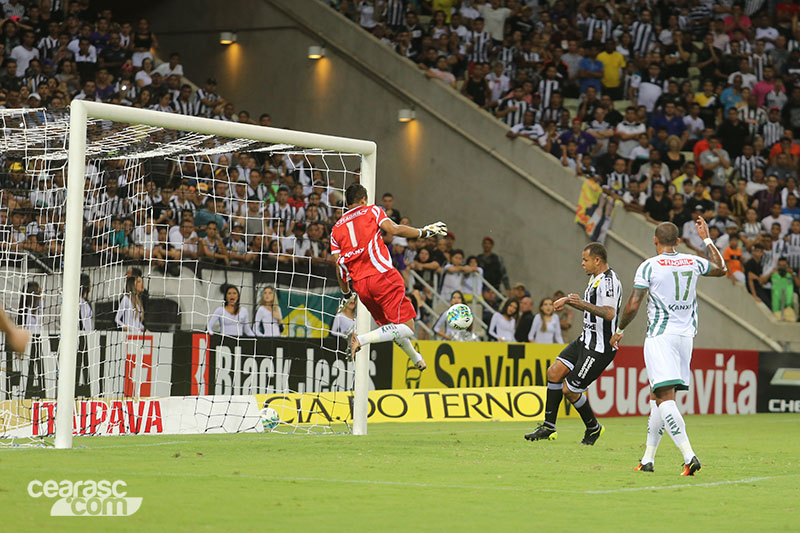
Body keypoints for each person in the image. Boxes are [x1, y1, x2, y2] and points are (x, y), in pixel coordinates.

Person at [611, 220, 727, 475]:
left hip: (661, 336)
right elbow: (721, 268)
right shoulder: (692, 261)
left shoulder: (649, 266)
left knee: (664, 399)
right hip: (685, 338)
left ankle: (689, 456)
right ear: (678, 241)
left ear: (655, 240)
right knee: (657, 396)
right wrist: (706, 239)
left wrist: (619, 330)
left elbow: (633, 304)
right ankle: (648, 459)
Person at [333, 184, 447, 370]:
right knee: (407, 327)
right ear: (364, 199)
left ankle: (415, 358)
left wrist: (346, 294)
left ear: (347, 203)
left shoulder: (336, 230)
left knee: (393, 328)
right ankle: (360, 339)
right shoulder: (372, 210)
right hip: (382, 276)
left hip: (361, 287)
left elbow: (338, 267)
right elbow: (393, 230)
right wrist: (424, 232)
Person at [524, 243, 621, 446]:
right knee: (554, 372)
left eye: (586, 259)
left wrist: (578, 303)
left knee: (570, 390)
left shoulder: (609, 281)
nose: (582, 263)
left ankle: (593, 428)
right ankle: (548, 427)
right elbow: (591, 308)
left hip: (599, 347)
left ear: (597, 260)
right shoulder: (594, 278)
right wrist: (568, 300)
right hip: (585, 339)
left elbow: (609, 313)